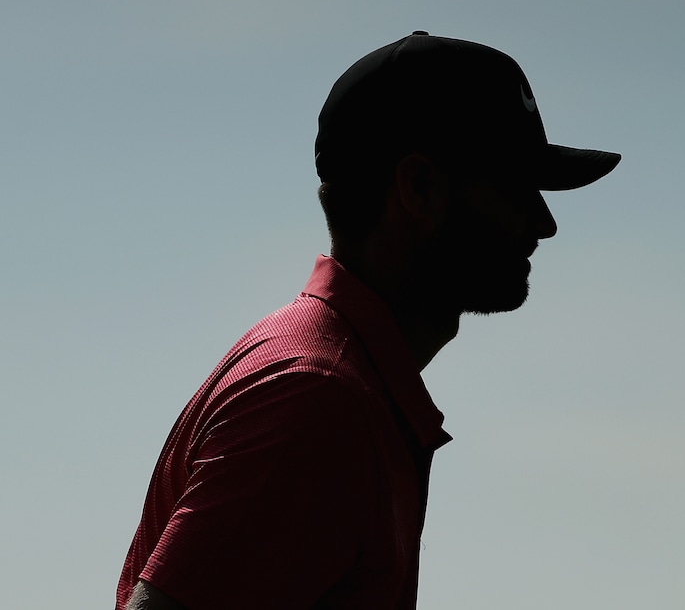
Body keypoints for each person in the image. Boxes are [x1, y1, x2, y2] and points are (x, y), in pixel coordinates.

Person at [117, 31, 620, 610]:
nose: (545, 220)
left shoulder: (331, 375)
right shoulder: (317, 401)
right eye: (516, 185)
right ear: (421, 188)